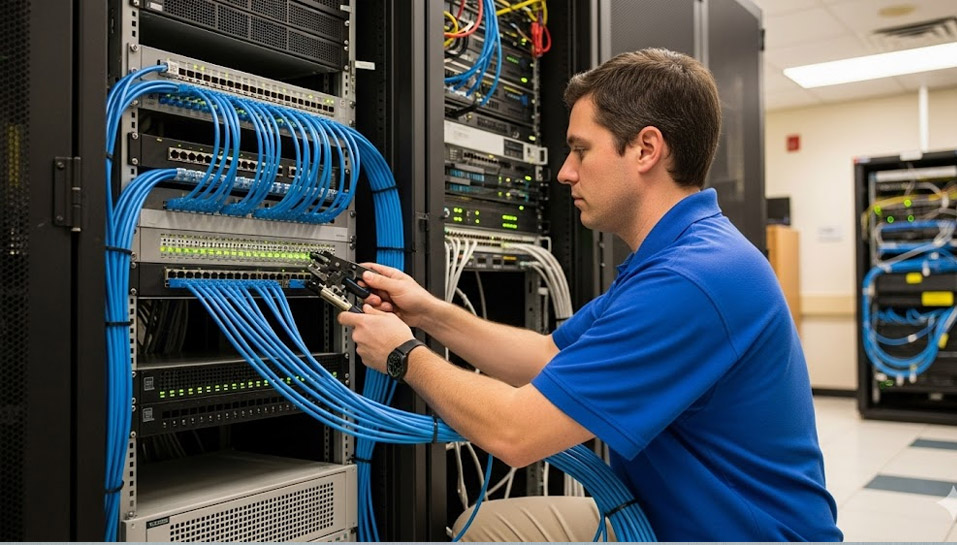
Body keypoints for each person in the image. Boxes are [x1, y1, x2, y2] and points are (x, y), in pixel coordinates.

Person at [338, 48, 842, 541]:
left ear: (646, 149)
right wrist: (429, 312)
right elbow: (547, 355)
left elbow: (517, 434)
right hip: (666, 516)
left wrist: (403, 354)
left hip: (736, 533)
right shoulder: (678, 255)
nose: (564, 172)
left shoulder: (693, 280)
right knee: (488, 526)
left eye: (581, 150)